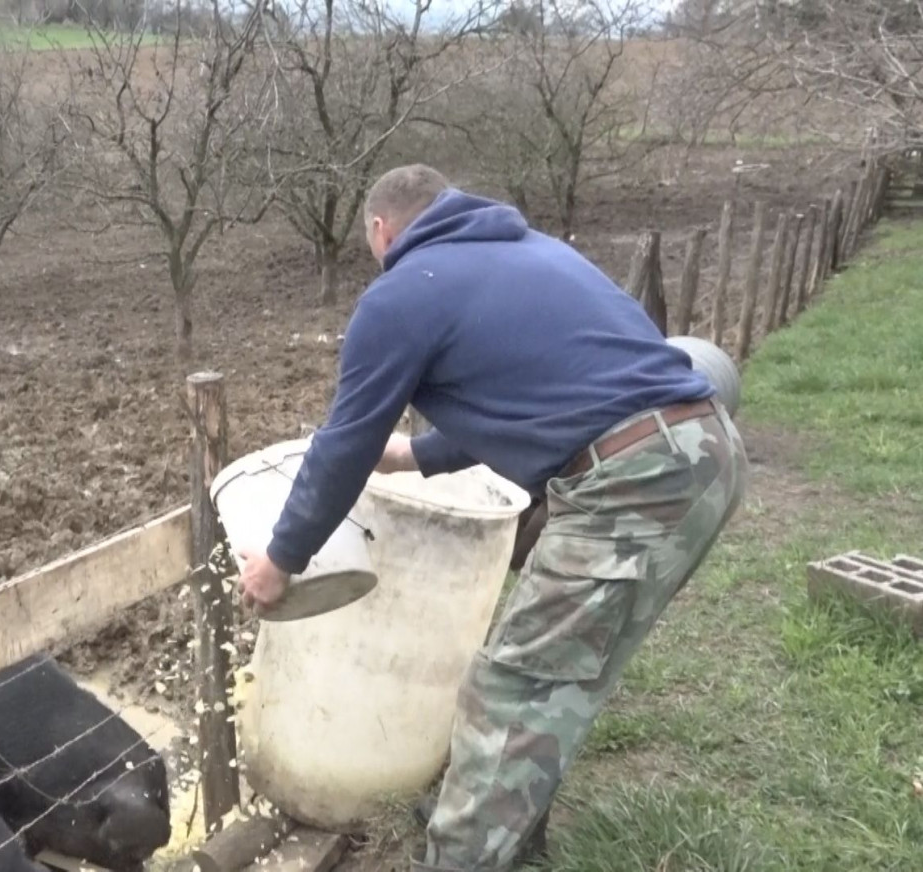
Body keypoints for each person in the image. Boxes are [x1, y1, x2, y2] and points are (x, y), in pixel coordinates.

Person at [234, 165, 749, 871]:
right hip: (700, 451)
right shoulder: (532, 252)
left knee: (515, 686)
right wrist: (414, 455)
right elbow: (545, 398)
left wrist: (279, 560)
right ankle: (497, 830)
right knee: (552, 669)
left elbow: (342, 443)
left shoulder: (402, 294)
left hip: (635, 480)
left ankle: (463, 854)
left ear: (381, 230)